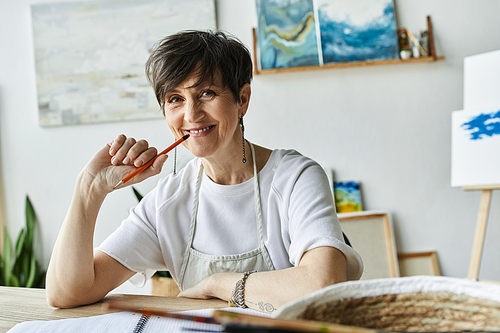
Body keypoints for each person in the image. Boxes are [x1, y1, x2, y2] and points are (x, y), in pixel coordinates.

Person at [46, 30, 363, 312]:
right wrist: (89, 189)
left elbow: (322, 285)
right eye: (175, 99)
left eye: (206, 93)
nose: (191, 114)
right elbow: (68, 292)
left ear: (242, 99)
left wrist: (217, 285)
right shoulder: (168, 201)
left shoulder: (296, 177)